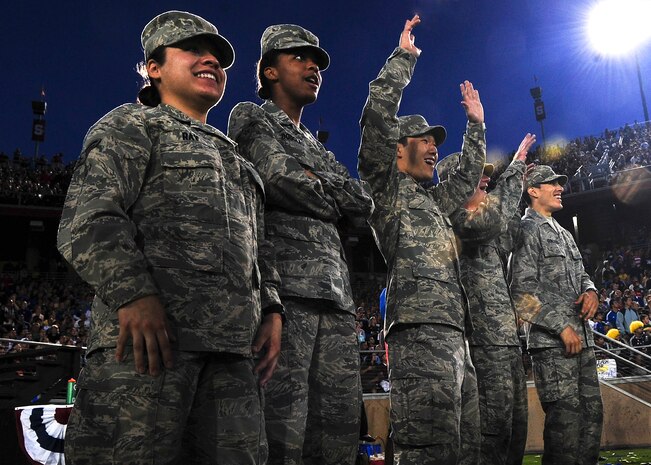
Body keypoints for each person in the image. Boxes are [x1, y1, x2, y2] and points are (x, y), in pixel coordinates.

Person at [57, 11, 283, 464]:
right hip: (148, 353)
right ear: (154, 67)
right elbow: (88, 217)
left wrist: (272, 307)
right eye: (193, 50)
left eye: (218, 57)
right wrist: (134, 293)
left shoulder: (236, 158)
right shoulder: (133, 126)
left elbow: (259, 246)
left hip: (232, 358)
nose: (212, 61)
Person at [228, 23, 374, 465]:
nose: (313, 67)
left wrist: (320, 183)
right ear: (270, 71)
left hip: (335, 297)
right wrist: (329, 192)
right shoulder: (250, 117)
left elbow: (361, 202)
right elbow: (278, 179)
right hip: (286, 294)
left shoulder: (316, 145)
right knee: (282, 432)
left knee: (337, 433)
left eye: (318, 63)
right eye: (299, 58)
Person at [357, 16, 486, 465]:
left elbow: (467, 177)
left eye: (436, 141)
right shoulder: (385, 190)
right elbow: (376, 119)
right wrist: (403, 60)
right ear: (396, 148)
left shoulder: (434, 201)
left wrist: (476, 128)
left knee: (467, 446)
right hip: (418, 335)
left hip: (455, 334)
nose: (433, 147)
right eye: (424, 140)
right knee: (427, 449)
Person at [439, 132, 535, 465]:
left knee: (514, 432)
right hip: (482, 345)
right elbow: (495, 217)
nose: (486, 187)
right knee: (490, 437)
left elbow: (516, 231)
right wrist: (516, 166)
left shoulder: (489, 224)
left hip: (507, 344)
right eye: (479, 183)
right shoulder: (458, 221)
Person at [510, 165, 603, 465]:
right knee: (564, 429)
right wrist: (561, 328)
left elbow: (582, 275)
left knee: (591, 420)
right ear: (533, 191)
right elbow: (521, 297)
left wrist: (591, 292)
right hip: (554, 347)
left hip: (582, 341)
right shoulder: (526, 231)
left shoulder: (563, 232)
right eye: (552, 183)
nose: (559, 187)